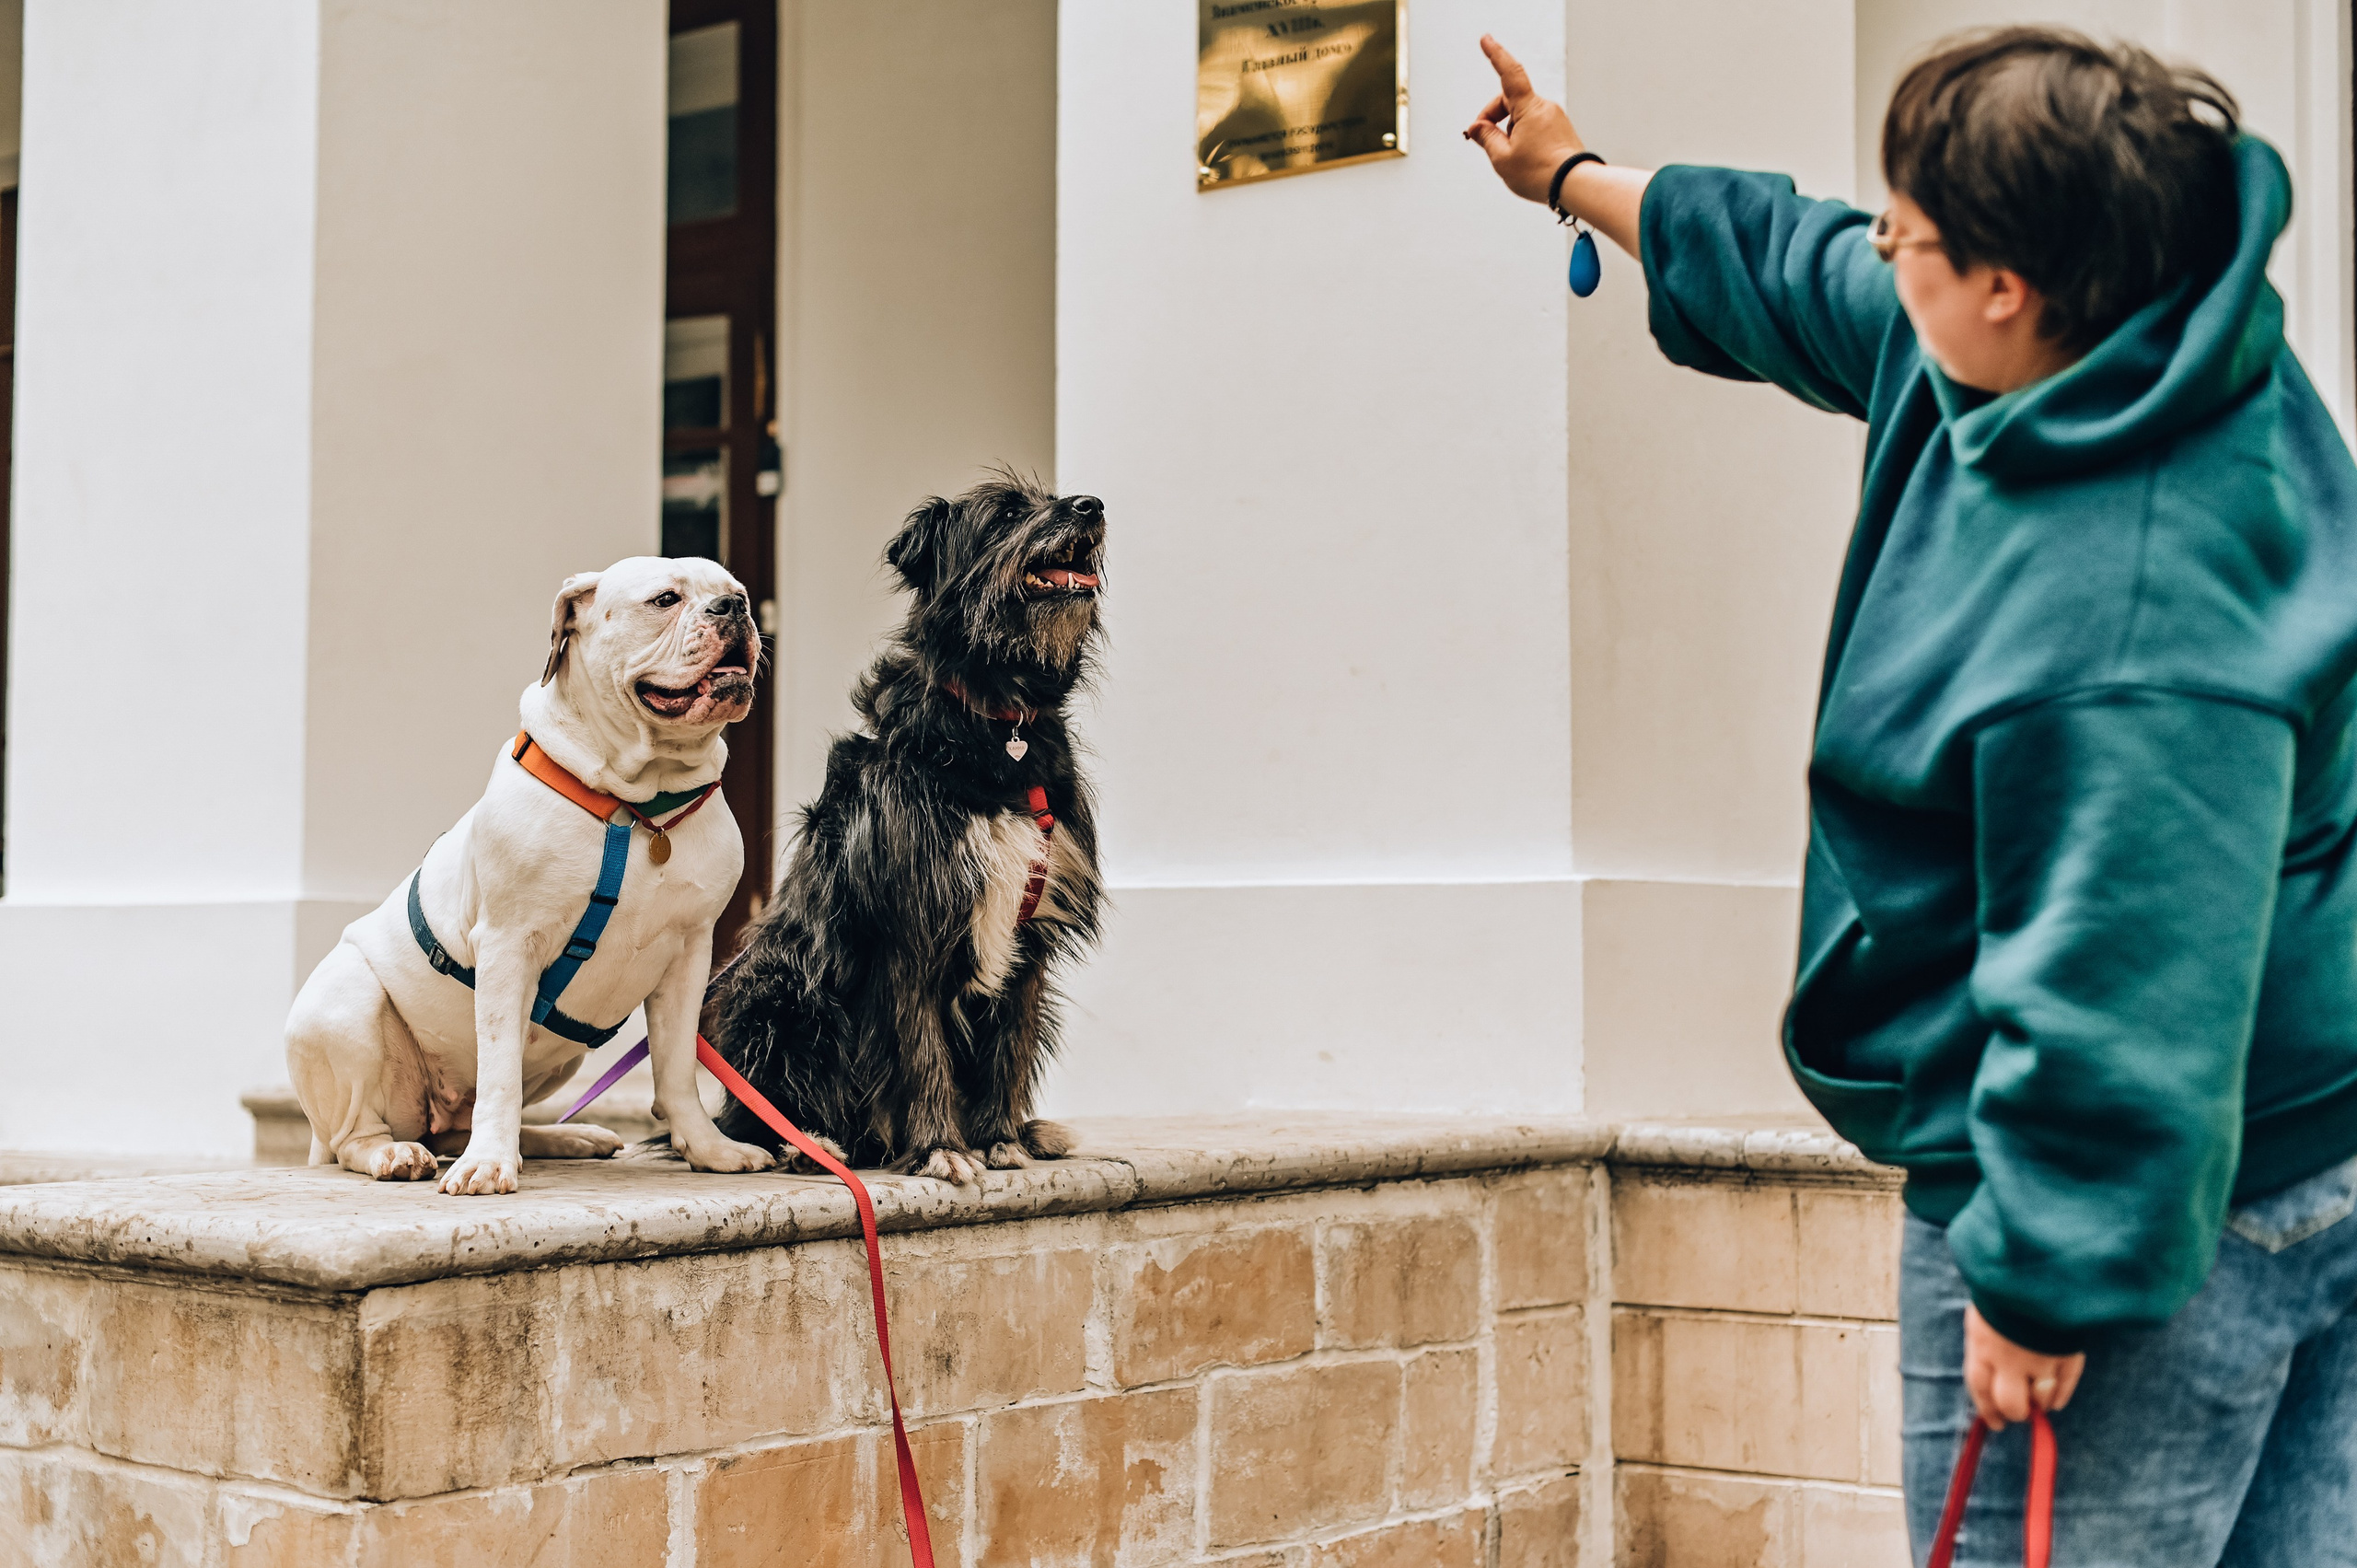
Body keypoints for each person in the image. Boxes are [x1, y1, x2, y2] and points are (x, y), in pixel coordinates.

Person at [1468, 26, 2357, 1566]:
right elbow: (1804, 266)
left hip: (2157, 1216)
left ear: (2006, 284)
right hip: (2275, 1145)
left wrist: (2038, 1279)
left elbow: (2128, 980)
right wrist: (1576, 176)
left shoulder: (2134, 599)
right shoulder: (2118, 325)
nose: (1887, 248)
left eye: (1916, 231)